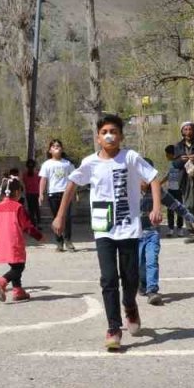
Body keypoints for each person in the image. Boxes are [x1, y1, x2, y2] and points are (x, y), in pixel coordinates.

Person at [53, 114, 162, 352]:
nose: (109, 135)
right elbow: (71, 185)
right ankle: (114, 327)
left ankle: (130, 305)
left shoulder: (130, 158)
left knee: (130, 278)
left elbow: (153, 178)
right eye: (104, 132)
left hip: (129, 228)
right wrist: (60, 215)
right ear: (98, 138)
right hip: (104, 229)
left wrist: (156, 207)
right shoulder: (90, 163)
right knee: (109, 278)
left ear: (121, 136)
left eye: (113, 131)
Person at [137, 162, 194, 306]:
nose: (145, 181)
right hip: (135, 235)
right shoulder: (130, 192)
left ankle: (153, 291)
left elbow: (174, 204)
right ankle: (143, 284)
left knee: (152, 261)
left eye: (148, 177)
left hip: (152, 233)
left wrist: (189, 216)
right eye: (141, 177)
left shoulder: (158, 192)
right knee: (139, 264)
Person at [0, 178, 44, 302]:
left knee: (15, 265)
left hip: (2, 241)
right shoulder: (18, 207)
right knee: (19, 267)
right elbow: (27, 226)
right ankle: (1, 281)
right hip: (14, 241)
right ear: (18, 192)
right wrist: (39, 236)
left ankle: (18, 290)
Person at [40, 139, 76, 252]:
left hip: (66, 193)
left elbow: (74, 179)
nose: (56, 148)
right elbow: (43, 179)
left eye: (58, 146)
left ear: (62, 149)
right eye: (54, 146)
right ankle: (59, 242)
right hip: (53, 194)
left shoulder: (67, 164)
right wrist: (41, 193)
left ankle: (68, 240)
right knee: (56, 218)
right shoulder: (47, 164)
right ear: (50, 150)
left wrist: (75, 193)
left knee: (67, 218)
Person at [164, 145, 185, 237]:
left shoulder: (180, 163)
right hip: (170, 190)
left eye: (167, 154)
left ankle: (180, 228)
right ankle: (171, 228)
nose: (166, 156)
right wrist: (159, 183)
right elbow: (169, 175)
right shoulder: (171, 164)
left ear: (172, 154)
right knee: (170, 209)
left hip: (179, 189)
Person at [23, 159, 43, 226]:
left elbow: (25, 183)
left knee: (31, 209)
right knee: (37, 208)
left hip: (29, 193)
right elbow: (39, 183)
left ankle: (32, 223)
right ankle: (38, 223)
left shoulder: (25, 174)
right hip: (36, 193)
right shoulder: (37, 174)